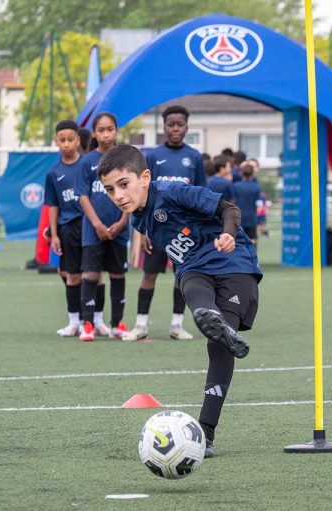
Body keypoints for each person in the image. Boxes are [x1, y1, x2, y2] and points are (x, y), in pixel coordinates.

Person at [98, 143, 262, 459]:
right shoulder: (137, 218)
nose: (117, 195)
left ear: (145, 177)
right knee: (193, 290)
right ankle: (207, 316)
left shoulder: (173, 192)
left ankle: (207, 431)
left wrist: (228, 234)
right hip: (194, 268)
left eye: (123, 184)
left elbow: (229, 209)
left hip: (233, 262)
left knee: (219, 345)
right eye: (109, 190)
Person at [123, 105, 206, 342]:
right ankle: (140, 325)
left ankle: (176, 325)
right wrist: (146, 228)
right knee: (149, 275)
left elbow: (200, 195)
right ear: (164, 127)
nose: (175, 129)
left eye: (180, 125)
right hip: (158, 228)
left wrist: (197, 227)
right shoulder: (152, 156)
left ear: (187, 127)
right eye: (171, 125)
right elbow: (143, 193)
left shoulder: (195, 158)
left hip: (184, 230)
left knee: (182, 277)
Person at [44, 120, 111, 338]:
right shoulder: (53, 173)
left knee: (96, 275)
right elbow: (52, 205)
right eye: (61, 140)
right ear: (56, 142)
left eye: (70, 139)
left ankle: (97, 320)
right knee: (72, 276)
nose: (66, 144)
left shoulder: (90, 164)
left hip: (90, 225)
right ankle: (74, 321)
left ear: (78, 140)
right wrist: (54, 234)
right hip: (68, 229)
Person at [74, 112, 130, 342]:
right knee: (91, 274)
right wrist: (97, 224)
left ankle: (117, 324)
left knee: (117, 274)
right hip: (93, 231)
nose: (106, 134)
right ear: (94, 133)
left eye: (110, 129)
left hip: (119, 229)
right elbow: (83, 196)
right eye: (101, 130)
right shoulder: (87, 162)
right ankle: (87, 324)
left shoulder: (126, 159)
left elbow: (133, 193)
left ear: (116, 131)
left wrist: (121, 222)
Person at [232, 162, 262, 245]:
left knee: (239, 244)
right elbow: (259, 205)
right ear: (252, 173)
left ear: (241, 173)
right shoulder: (256, 187)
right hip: (252, 219)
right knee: (252, 244)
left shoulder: (236, 186)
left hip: (239, 219)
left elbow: (232, 202)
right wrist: (260, 221)